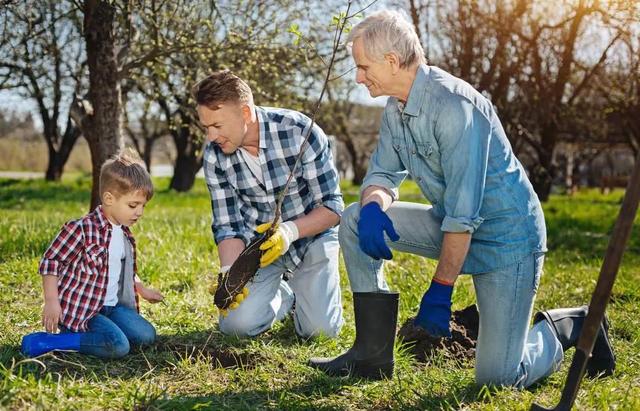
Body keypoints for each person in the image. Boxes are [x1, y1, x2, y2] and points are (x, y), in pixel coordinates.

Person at [309, 10, 615, 386]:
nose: (358, 77)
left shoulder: (455, 106)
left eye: (362, 66)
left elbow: (464, 215)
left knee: (499, 378)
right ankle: (371, 355)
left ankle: (569, 326)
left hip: (507, 240)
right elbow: (384, 174)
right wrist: (374, 204)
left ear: (391, 61)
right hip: (453, 225)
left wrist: (440, 289)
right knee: (355, 219)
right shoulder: (395, 107)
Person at [193, 70, 344, 338]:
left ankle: (305, 296)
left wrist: (289, 232)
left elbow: (332, 206)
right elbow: (227, 225)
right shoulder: (214, 156)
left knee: (320, 332)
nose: (211, 137)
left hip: (311, 239)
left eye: (217, 126)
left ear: (246, 114)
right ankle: (283, 297)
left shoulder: (300, 132)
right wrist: (231, 274)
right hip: (259, 249)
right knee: (236, 327)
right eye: (206, 127)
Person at [21, 151, 164, 359]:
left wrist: (142, 289)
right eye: (133, 205)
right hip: (83, 310)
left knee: (146, 336)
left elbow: (122, 271)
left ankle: (100, 333)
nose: (139, 212)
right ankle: (50, 341)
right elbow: (51, 262)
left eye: (143, 206)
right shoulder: (81, 229)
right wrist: (51, 301)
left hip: (111, 307)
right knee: (118, 346)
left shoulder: (124, 234)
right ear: (109, 198)